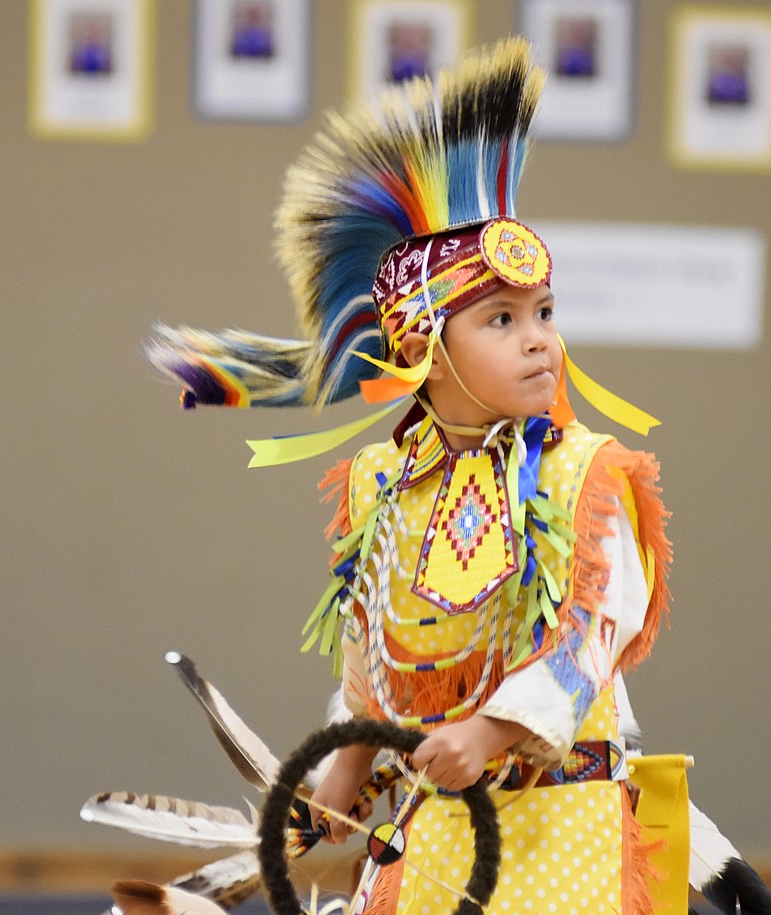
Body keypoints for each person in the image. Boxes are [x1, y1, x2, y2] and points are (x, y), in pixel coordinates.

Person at [146, 37, 676, 915]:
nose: (540, 337)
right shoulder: (382, 486)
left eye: (544, 311)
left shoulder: (588, 474)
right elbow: (371, 664)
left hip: (563, 834)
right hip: (431, 839)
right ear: (425, 352)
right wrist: (337, 781)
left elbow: (593, 636)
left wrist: (494, 728)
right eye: (501, 319)